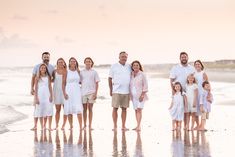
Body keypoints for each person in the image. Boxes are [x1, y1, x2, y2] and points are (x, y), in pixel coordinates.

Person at [170, 52, 195, 129]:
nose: (184, 58)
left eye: (185, 57)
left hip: (189, 91)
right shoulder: (175, 68)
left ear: (187, 58)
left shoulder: (191, 68)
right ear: (180, 58)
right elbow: (171, 80)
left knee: (188, 109)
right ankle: (178, 125)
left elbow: (194, 79)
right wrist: (173, 91)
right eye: (182, 57)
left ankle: (186, 125)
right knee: (179, 109)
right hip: (179, 92)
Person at [30, 52, 54, 130]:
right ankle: (36, 125)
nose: (46, 58)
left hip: (47, 93)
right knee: (38, 108)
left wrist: (51, 94)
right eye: (45, 57)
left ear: (49, 58)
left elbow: (52, 80)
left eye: (47, 57)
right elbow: (33, 78)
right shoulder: (37, 66)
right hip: (39, 93)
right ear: (42, 57)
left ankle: (45, 126)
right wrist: (31, 88)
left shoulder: (51, 67)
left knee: (46, 109)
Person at [108, 51, 131, 131]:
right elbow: (110, 78)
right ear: (119, 57)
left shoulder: (129, 66)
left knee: (124, 109)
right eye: (122, 56)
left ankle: (123, 126)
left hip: (126, 91)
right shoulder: (114, 66)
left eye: (125, 57)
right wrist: (111, 90)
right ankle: (115, 126)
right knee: (115, 108)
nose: (124, 58)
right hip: (116, 91)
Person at [61, 57, 83, 130]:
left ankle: (80, 127)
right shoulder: (66, 71)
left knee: (78, 108)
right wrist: (64, 93)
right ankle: (71, 126)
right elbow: (63, 83)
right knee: (69, 109)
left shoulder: (78, 71)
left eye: (74, 61)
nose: (73, 62)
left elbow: (81, 82)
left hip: (77, 91)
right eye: (71, 61)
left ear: (76, 63)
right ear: (69, 63)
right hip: (68, 91)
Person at [80, 57, 100, 130]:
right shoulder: (81, 72)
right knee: (84, 109)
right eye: (86, 61)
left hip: (92, 92)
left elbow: (97, 83)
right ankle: (84, 125)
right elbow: (79, 82)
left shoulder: (94, 72)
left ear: (91, 63)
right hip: (83, 93)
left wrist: (95, 93)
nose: (88, 63)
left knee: (90, 108)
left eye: (89, 61)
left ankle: (90, 125)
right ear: (84, 63)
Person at [130, 60, 148, 131]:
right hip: (133, 96)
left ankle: (139, 126)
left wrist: (142, 95)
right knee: (136, 110)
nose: (135, 66)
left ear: (139, 66)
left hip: (141, 96)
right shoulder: (131, 74)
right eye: (134, 65)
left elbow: (145, 85)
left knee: (139, 110)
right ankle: (137, 125)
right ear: (132, 66)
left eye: (137, 65)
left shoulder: (142, 74)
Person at [194, 60, 209, 130]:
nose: (197, 65)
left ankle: (202, 126)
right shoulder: (194, 74)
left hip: (203, 94)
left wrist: (208, 93)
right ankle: (198, 125)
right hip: (196, 93)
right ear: (194, 66)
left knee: (203, 109)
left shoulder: (203, 73)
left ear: (201, 65)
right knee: (196, 110)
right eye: (196, 64)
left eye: (198, 64)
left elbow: (207, 84)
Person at [52, 58, 67, 130]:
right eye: (59, 62)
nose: (60, 63)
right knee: (57, 110)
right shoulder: (54, 71)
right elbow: (50, 80)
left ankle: (63, 125)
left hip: (64, 92)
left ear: (64, 63)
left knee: (66, 109)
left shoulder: (67, 71)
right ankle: (57, 125)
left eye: (62, 62)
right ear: (57, 63)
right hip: (56, 92)